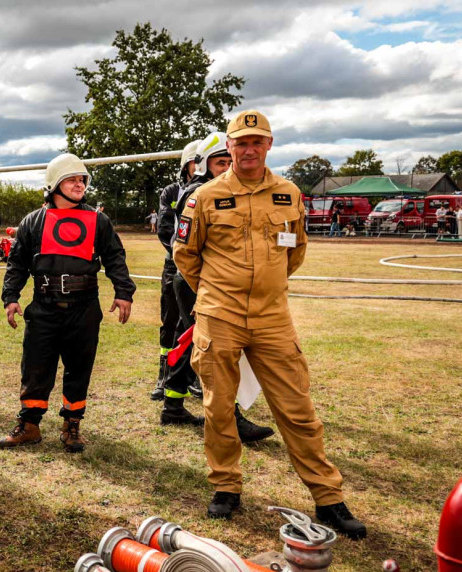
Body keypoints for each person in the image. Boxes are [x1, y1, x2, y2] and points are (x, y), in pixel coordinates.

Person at [173, 110, 365, 539]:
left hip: (272, 316)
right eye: (241, 143)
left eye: (257, 141)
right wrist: (217, 292)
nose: (249, 149)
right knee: (219, 407)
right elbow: (185, 255)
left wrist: (266, 289)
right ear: (229, 147)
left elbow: (295, 251)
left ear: (269, 145)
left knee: (297, 410)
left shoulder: (289, 193)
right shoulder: (204, 196)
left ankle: (328, 497)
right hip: (219, 315)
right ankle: (226, 487)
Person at [0, 153, 135, 452]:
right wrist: (11, 297)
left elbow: (115, 257)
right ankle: (30, 425)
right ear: (54, 184)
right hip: (43, 307)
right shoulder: (33, 221)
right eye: (72, 179)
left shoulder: (99, 220)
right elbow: (17, 264)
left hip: (84, 308)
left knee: (79, 367)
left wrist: (124, 292)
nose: (79, 184)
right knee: (35, 366)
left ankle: (72, 425)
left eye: (82, 179)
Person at [160, 131, 274, 444]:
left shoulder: (221, 190)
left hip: (201, 280)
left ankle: (172, 404)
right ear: (204, 164)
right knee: (220, 346)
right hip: (200, 281)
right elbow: (181, 246)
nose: (227, 166)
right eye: (220, 161)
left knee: (195, 340)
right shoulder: (203, 192)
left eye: (229, 160)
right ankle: (231, 416)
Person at [153, 139, 200, 401]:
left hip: (204, 269)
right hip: (175, 265)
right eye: (196, 161)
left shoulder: (217, 190)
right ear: (186, 165)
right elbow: (165, 229)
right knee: (169, 319)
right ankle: (164, 374)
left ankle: (193, 376)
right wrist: (182, 256)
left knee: (193, 323)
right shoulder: (170, 192)